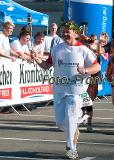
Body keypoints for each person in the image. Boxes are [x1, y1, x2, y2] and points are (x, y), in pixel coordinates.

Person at [32, 20, 100, 159]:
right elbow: (47, 65)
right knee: (60, 122)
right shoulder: (57, 48)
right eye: (63, 31)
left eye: (68, 31)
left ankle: (71, 148)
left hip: (76, 90)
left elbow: (97, 67)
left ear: (75, 33)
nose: (65, 33)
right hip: (59, 89)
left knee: (70, 117)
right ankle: (74, 129)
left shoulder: (83, 49)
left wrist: (85, 70)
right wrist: (37, 60)